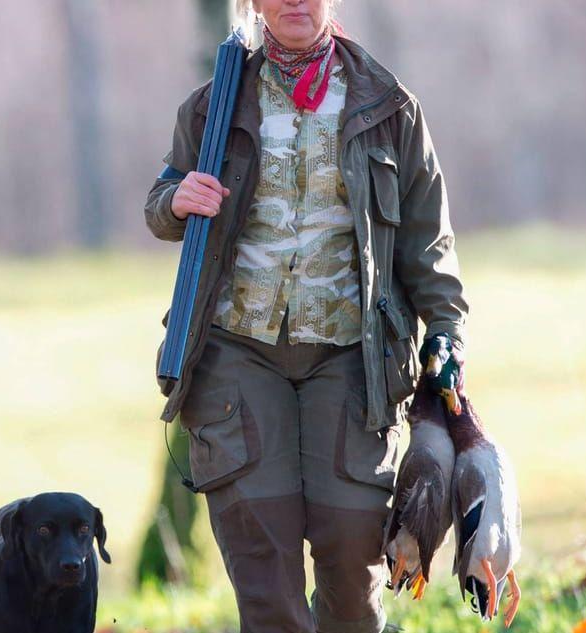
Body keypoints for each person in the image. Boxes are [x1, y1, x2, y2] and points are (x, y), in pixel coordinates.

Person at [144, 0, 466, 631]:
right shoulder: (212, 105)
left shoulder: (389, 107)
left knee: (351, 557)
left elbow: (429, 239)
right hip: (237, 354)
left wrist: (448, 333)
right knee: (264, 568)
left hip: (352, 357)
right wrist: (175, 203)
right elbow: (163, 196)